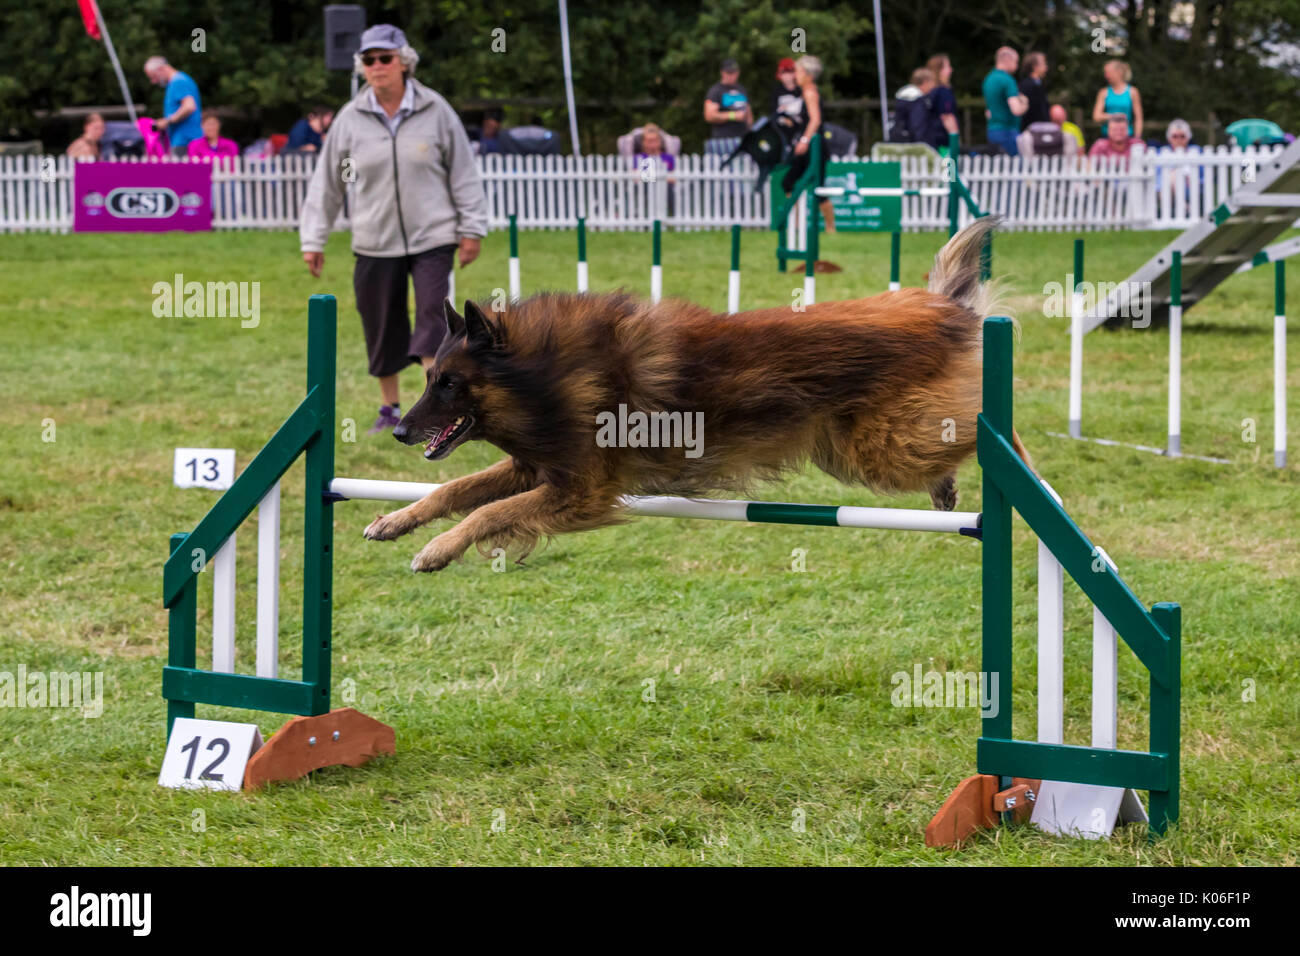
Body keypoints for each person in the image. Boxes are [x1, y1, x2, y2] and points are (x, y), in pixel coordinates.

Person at [299, 24, 489, 436]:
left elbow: (463, 174)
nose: (377, 66)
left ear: (404, 62)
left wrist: (471, 227)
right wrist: (314, 238)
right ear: (362, 68)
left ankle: (435, 411)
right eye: (369, 60)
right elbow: (328, 183)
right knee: (380, 320)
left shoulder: (436, 111)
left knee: (433, 320)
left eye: (385, 58)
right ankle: (389, 409)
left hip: (432, 237)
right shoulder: (350, 119)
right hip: (373, 238)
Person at [781, 55, 834, 232]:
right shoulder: (806, 92)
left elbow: (815, 120)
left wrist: (804, 140)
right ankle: (797, 223)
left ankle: (830, 228)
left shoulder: (810, 92)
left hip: (814, 147)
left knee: (818, 189)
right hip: (809, 146)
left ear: (809, 75)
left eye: (798, 71)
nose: (795, 75)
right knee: (788, 182)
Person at [143, 55, 203, 156]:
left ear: (161, 69)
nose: (153, 81)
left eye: (154, 76)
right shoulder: (176, 81)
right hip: (183, 139)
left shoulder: (179, 81)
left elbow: (189, 106)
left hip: (185, 140)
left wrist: (167, 121)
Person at [982, 47, 1028, 156]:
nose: (1017, 66)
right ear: (1008, 60)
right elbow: (1016, 110)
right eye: (1016, 62)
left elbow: (988, 111)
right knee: (1014, 168)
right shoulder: (1007, 80)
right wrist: (1025, 102)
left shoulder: (988, 79)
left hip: (992, 130)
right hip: (1008, 132)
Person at [703, 58, 753, 159]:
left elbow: (748, 113)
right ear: (722, 72)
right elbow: (709, 116)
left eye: (733, 72)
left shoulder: (741, 89)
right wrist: (733, 115)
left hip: (743, 139)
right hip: (723, 141)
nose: (731, 76)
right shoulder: (715, 91)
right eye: (728, 72)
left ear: (738, 72)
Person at [1092, 59, 1143, 139]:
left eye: (1108, 73)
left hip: (1127, 137)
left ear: (1119, 72)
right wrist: (1115, 116)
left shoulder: (1133, 92)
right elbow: (1096, 116)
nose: (1106, 76)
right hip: (1107, 137)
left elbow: (1139, 119)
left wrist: (1137, 138)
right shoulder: (1103, 92)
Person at [924, 53, 960, 152]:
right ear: (939, 70)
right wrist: (955, 138)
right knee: (949, 167)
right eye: (948, 66)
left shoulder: (930, 92)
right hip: (943, 142)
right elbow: (948, 117)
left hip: (931, 140)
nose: (951, 70)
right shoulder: (943, 92)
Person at [1018, 52, 1051, 129]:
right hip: (1034, 131)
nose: (1046, 67)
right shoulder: (1028, 86)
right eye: (1043, 64)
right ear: (1035, 67)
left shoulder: (1038, 84)